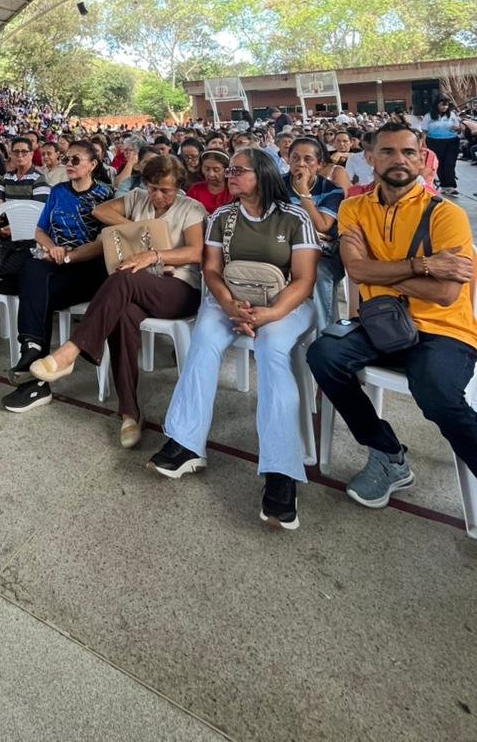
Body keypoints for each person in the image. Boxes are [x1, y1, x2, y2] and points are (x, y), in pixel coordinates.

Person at [148, 148, 320, 531]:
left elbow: (304, 279)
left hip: (284, 304)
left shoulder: (294, 218)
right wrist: (227, 305)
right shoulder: (221, 218)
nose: (230, 176)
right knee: (204, 338)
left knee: (272, 350)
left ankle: (281, 470)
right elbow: (211, 269)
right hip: (231, 299)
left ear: (261, 174)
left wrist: (270, 314)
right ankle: (187, 442)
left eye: (238, 171)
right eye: (229, 171)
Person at [307, 122, 477, 509]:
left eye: (409, 152)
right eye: (387, 152)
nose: (399, 160)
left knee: (437, 394)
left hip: (443, 330)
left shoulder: (445, 214)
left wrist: (378, 267)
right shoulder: (353, 207)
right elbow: (358, 272)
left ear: (422, 158)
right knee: (323, 356)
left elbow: (447, 293)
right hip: (380, 321)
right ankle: (388, 454)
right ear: (369, 158)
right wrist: (422, 265)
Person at [27, 155, 205, 445]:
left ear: (178, 188)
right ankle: (129, 413)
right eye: (153, 188)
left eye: (166, 190)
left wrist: (155, 254)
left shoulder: (191, 209)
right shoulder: (137, 199)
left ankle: (70, 351)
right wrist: (139, 229)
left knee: (123, 276)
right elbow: (101, 210)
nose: (158, 196)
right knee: (122, 315)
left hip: (179, 288)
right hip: (138, 285)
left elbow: (196, 252)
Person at [1, 140, 113, 413]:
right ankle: (33, 347)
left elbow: (104, 242)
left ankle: (34, 377)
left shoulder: (106, 195)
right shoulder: (58, 191)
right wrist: (52, 248)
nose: (69, 164)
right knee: (31, 267)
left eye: (76, 160)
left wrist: (70, 255)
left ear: (92, 165)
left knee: (40, 293)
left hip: (90, 267)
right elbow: (40, 230)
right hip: (58, 261)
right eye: (67, 159)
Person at [281, 137, 344, 331]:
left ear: (320, 164)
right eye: (295, 158)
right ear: (287, 160)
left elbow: (323, 225)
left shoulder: (332, 190)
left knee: (316, 272)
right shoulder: (276, 185)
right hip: (284, 248)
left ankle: (323, 336)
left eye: (308, 159)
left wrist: (303, 193)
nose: (301, 163)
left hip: (323, 254)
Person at [420, 97, 462, 195]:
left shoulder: (452, 115)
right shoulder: (428, 116)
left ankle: (450, 186)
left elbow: (458, 128)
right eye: (442, 104)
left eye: (446, 105)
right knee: (440, 164)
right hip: (434, 142)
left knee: (450, 163)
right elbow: (424, 131)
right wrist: (423, 142)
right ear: (437, 105)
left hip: (451, 141)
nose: (445, 107)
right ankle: (444, 186)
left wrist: (458, 128)